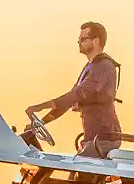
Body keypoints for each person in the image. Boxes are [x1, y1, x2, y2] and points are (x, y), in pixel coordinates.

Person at [25, 21, 122, 159]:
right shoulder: (90, 68)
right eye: (79, 39)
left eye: (83, 39)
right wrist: (39, 123)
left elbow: (78, 94)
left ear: (95, 41)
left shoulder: (104, 66)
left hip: (103, 139)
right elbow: (68, 102)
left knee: (77, 170)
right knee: (75, 171)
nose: (79, 42)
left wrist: (40, 107)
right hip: (92, 139)